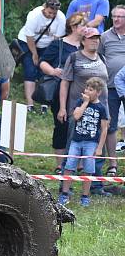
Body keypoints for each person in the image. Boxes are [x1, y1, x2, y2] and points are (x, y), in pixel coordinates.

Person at [40, 13, 85, 174]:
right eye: (83, 25)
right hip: (61, 92)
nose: (85, 29)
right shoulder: (58, 44)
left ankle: (79, 163)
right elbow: (42, 62)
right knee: (61, 125)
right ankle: (60, 164)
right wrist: (53, 71)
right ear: (74, 27)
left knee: (82, 127)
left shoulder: (85, 45)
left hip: (82, 92)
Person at [57, 77, 109, 207]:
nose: (86, 91)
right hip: (76, 141)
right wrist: (85, 103)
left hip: (91, 143)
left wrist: (100, 148)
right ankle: (64, 194)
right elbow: (76, 116)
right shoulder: (80, 102)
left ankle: (85, 196)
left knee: (88, 169)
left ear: (98, 92)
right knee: (69, 166)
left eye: (90, 89)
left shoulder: (101, 108)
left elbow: (104, 130)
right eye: (86, 88)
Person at [15, 0, 66, 110]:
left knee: (46, 71)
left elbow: (56, 39)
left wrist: (49, 55)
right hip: (27, 43)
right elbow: (29, 37)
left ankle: (45, 101)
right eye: (49, 12)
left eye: (54, 13)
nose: (51, 15)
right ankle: (30, 104)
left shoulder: (61, 18)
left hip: (47, 45)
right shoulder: (34, 15)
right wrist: (34, 54)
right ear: (44, 7)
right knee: (30, 70)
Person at [99, 5, 125, 176]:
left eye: (120, 17)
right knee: (110, 125)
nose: (116, 19)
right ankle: (113, 164)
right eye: (114, 16)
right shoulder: (104, 36)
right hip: (110, 87)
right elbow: (99, 57)